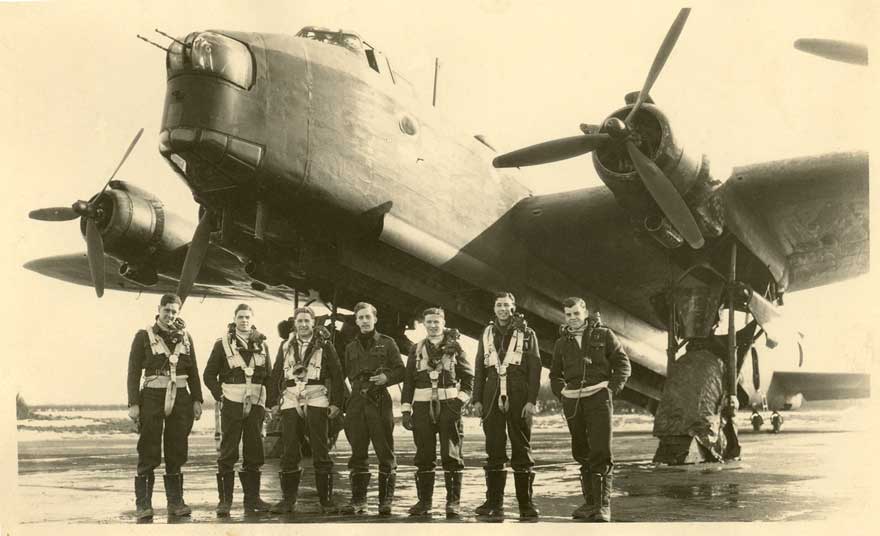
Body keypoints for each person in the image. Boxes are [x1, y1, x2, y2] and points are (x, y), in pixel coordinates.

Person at [549, 297, 630, 522]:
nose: (573, 318)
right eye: (568, 314)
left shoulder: (604, 335)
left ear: (585, 312)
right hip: (573, 402)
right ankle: (589, 503)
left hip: (598, 399)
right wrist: (562, 393)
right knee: (581, 451)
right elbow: (554, 374)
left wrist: (610, 390)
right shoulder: (560, 344)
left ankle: (603, 506)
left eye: (576, 313)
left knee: (601, 451)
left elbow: (623, 365)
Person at [126, 293, 203, 520]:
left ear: (179, 313)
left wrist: (197, 399)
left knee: (177, 448)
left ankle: (176, 502)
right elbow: (133, 372)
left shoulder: (186, 338)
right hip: (152, 395)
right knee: (149, 446)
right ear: (158, 309)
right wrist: (133, 403)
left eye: (174, 312)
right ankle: (143, 505)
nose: (170, 315)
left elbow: (194, 371)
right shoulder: (143, 336)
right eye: (166, 310)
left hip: (181, 396)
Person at [267, 307, 345, 514]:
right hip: (291, 398)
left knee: (320, 449)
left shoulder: (325, 346)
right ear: (295, 323)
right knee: (290, 448)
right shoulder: (285, 346)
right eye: (299, 321)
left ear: (313, 323)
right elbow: (276, 374)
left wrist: (336, 403)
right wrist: (273, 403)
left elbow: (338, 375)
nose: (303, 325)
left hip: (316, 397)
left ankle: (326, 501)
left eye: (307, 321)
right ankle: (288, 500)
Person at [472, 292, 541, 518]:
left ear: (513, 308)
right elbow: (479, 368)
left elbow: (535, 370)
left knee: (521, 448)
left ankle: (526, 505)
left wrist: (531, 400)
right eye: (499, 305)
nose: (502, 309)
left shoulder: (528, 333)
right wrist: (477, 399)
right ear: (494, 308)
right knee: (494, 449)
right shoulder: (487, 332)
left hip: (518, 394)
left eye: (506, 305)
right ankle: (494, 503)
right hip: (491, 395)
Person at [400, 308, 473, 517]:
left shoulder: (456, 347)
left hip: (449, 406)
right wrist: (406, 410)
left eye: (436, 322)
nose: (433, 325)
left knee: (451, 454)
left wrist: (460, 401)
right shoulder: (416, 349)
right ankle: (424, 503)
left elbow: (469, 379)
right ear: (424, 324)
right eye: (429, 322)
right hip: (422, 408)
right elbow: (408, 382)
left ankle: (453, 503)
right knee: (424, 455)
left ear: (443, 323)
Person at [203, 304, 273, 516]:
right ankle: (225, 501)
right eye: (240, 317)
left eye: (247, 317)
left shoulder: (263, 345)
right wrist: (221, 397)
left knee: (254, 450)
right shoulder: (222, 344)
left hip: (256, 404)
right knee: (228, 451)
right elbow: (208, 375)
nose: (244, 320)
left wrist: (267, 404)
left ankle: (253, 499)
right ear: (234, 319)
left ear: (252, 320)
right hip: (231, 402)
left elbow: (269, 376)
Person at [341, 302, 405, 515]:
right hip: (357, 402)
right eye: (360, 318)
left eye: (368, 317)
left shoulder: (388, 343)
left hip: (379, 400)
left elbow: (401, 370)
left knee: (385, 452)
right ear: (356, 321)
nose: (365, 321)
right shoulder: (350, 347)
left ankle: (385, 503)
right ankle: (358, 501)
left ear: (375, 319)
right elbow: (343, 374)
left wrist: (387, 378)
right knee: (357, 452)